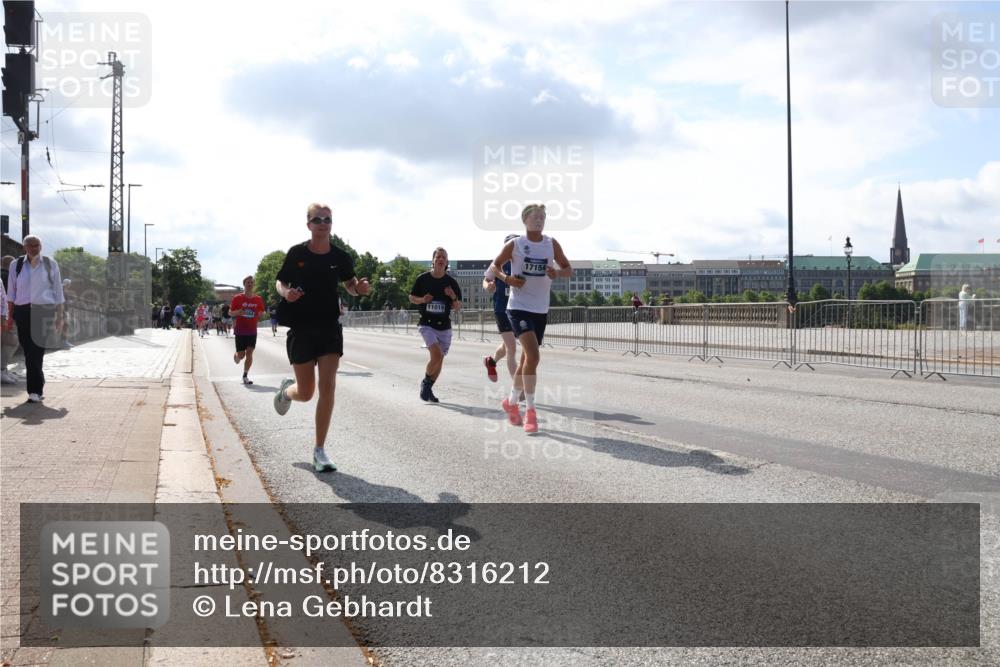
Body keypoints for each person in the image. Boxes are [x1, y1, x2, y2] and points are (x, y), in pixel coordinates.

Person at [272, 202, 370, 473]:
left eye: (328, 219)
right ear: (309, 224)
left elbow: (350, 284)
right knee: (306, 393)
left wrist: (358, 289)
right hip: (302, 328)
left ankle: (319, 450)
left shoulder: (340, 256)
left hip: (329, 328)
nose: (323, 223)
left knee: (328, 387)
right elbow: (280, 282)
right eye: (318, 219)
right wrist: (285, 293)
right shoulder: (297, 254)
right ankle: (286, 392)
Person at [489, 204, 572, 433]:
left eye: (543, 217)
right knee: (534, 356)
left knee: (527, 360)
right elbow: (494, 266)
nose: (539, 220)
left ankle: (511, 402)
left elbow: (568, 268)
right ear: (524, 220)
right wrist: (507, 279)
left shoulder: (550, 243)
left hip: (540, 309)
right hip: (518, 307)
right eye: (535, 217)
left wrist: (558, 272)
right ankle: (531, 413)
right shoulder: (515, 244)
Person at [5, 235, 66, 403]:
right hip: (22, 311)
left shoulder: (50, 264)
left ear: (41, 246)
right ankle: (39, 380)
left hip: (43, 311)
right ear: (24, 248)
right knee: (29, 350)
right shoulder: (15, 265)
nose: (34, 248)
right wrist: (9, 317)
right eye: (30, 245)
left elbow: (58, 292)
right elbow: (11, 293)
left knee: (36, 349)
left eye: (36, 245)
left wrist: (60, 317)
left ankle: (34, 391)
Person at [408, 247, 462, 403]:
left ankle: (429, 388)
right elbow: (411, 298)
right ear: (433, 260)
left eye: (444, 257)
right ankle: (426, 382)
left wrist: (452, 297)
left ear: (447, 262)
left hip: (444, 326)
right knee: (436, 355)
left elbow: (457, 307)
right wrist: (422, 300)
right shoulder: (422, 279)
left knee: (439, 361)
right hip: (427, 323)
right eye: (438, 256)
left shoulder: (451, 283)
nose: (441, 259)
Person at [482, 234, 520, 384]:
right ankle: (519, 387)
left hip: (518, 310)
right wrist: (488, 286)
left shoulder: (523, 263)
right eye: (510, 245)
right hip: (502, 310)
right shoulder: (498, 262)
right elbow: (485, 280)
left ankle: (491, 362)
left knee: (506, 346)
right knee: (512, 348)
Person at [231, 276, 265, 385]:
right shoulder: (237, 298)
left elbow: (261, 313)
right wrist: (237, 312)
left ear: (253, 284)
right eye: (248, 282)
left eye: (251, 282)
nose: (250, 284)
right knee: (242, 355)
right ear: (244, 284)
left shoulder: (258, 299)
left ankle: (245, 375)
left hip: (252, 330)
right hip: (240, 330)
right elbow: (230, 313)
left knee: (250, 352)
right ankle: (237, 355)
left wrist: (261, 314)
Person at [1, 255, 20, 384]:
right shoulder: (8, 276)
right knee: (12, 342)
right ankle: (2, 369)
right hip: (7, 315)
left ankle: (3, 369)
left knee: (7, 342)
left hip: (6, 314)